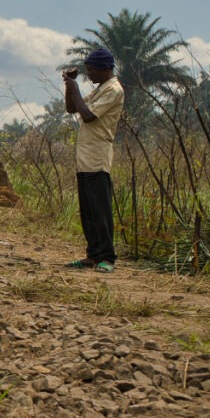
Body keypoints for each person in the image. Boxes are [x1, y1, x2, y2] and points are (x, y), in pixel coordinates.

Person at [63, 47, 125, 272]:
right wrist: (69, 87)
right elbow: (73, 108)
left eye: (91, 71)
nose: (89, 76)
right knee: (88, 209)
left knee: (100, 209)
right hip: (85, 157)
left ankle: (107, 257)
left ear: (104, 68)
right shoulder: (101, 90)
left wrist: (75, 87)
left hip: (98, 157)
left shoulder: (114, 90)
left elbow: (87, 116)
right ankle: (93, 254)